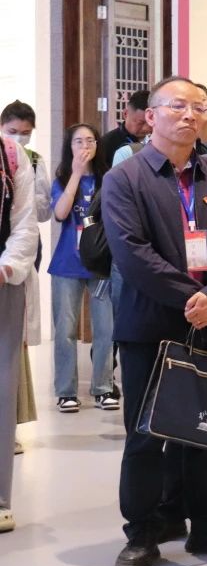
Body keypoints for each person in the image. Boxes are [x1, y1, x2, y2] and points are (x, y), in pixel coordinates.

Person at [102, 76, 207, 566]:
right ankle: (143, 532)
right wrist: (193, 296)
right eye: (177, 106)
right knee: (147, 434)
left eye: (198, 107)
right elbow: (131, 252)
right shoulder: (125, 177)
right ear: (151, 116)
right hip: (151, 323)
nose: (190, 115)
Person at [49, 124, 116, 412]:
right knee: (65, 330)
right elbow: (60, 213)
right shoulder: (62, 180)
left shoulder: (108, 179)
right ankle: (66, 391)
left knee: (106, 329)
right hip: (67, 264)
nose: (85, 146)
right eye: (78, 141)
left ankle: (103, 387)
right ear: (70, 146)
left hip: (101, 264)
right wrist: (76, 174)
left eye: (90, 140)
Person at [2, 102, 54, 418]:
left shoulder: (30, 159)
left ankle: (12, 417)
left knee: (14, 338)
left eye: (26, 133)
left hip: (19, 253)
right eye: (13, 131)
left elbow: (41, 212)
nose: (19, 138)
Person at [0, 132, 39, 535]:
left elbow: (25, 221)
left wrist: (7, 267)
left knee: (2, 387)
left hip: (2, 283)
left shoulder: (11, 154)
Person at [99, 89, 152, 161]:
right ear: (125, 114)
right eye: (140, 123)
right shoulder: (106, 144)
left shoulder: (158, 141)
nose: (146, 128)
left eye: (150, 122)